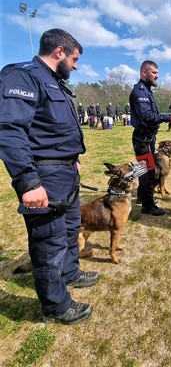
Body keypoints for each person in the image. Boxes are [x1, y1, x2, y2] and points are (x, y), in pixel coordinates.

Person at [0, 28, 99, 325]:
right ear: (59, 52)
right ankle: (55, 307)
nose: (76, 65)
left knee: (69, 229)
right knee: (48, 242)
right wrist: (28, 182)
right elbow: (10, 130)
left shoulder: (53, 82)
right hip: (43, 176)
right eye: (75, 58)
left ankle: (70, 274)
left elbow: (53, 130)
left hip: (65, 172)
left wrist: (72, 161)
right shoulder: (24, 76)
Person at [129, 60, 171, 216]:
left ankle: (142, 197)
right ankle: (147, 206)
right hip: (142, 140)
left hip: (148, 139)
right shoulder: (139, 92)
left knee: (146, 170)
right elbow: (147, 116)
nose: (157, 76)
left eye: (157, 73)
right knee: (148, 172)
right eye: (154, 73)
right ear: (144, 73)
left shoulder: (147, 90)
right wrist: (168, 117)